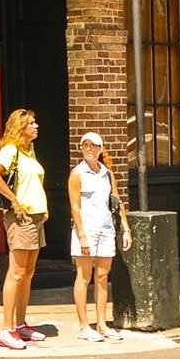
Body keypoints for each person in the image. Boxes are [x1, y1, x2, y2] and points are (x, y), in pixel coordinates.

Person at [0, 108, 47, 351]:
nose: (36, 126)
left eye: (35, 122)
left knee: (29, 272)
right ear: (19, 127)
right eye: (31, 123)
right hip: (20, 218)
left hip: (36, 216)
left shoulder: (29, 150)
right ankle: (6, 329)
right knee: (16, 272)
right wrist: (14, 200)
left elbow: (33, 184)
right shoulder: (11, 150)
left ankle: (21, 324)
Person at [68, 130, 131, 342]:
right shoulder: (77, 174)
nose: (89, 150)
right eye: (85, 146)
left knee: (103, 277)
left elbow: (116, 200)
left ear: (100, 149)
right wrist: (82, 235)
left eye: (93, 146)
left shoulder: (107, 173)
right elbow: (75, 207)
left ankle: (102, 324)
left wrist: (125, 227)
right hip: (87, 229)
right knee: (83, 276)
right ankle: (84, 326)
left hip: (106, 228)